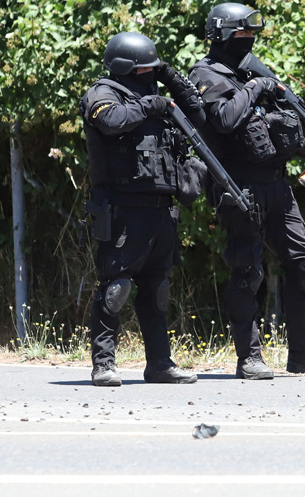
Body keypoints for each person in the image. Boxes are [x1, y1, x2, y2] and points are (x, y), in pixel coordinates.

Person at [189, 2, 305, 380]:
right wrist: (257, 86)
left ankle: (303, 353)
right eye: (241, 34)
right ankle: (250, 358)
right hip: (238, 185)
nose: (248, 41)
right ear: (221, 35)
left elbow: (278, 125)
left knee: (304, 263)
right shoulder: (206, 74)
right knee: (248, 271)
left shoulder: (252, 71)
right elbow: (225, 120)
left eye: (251, 35)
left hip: (276, 183)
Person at [80, 32, 201, 387]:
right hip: (123, 210)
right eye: (145, 69)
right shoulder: (103, 93)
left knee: (157, 290)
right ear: (126, 68)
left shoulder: (155, 93)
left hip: (161, 210)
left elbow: (197, 114)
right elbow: (111, 121)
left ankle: (160, 364)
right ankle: (103, 364)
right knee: (116, 289)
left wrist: (170, 76)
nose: (150, 75)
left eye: (154, 69)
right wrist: (151, 105)